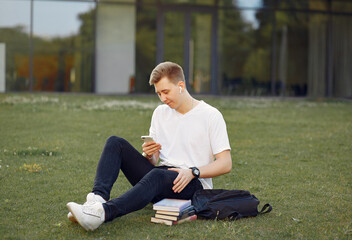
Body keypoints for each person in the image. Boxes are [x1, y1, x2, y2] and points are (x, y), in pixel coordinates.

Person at [66, 61, 232, 231]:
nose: (163, 98)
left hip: (192, 185)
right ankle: (96, 201)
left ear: (181, 85)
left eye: (166, 92)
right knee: (115, 143)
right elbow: (154, 162)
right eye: (159, 93)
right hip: (161, 179)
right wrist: (149, 155)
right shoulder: (160, 113)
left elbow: (225, 163)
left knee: (159, 175)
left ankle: (103, 214)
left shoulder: (211, 116)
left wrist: (192, 172)